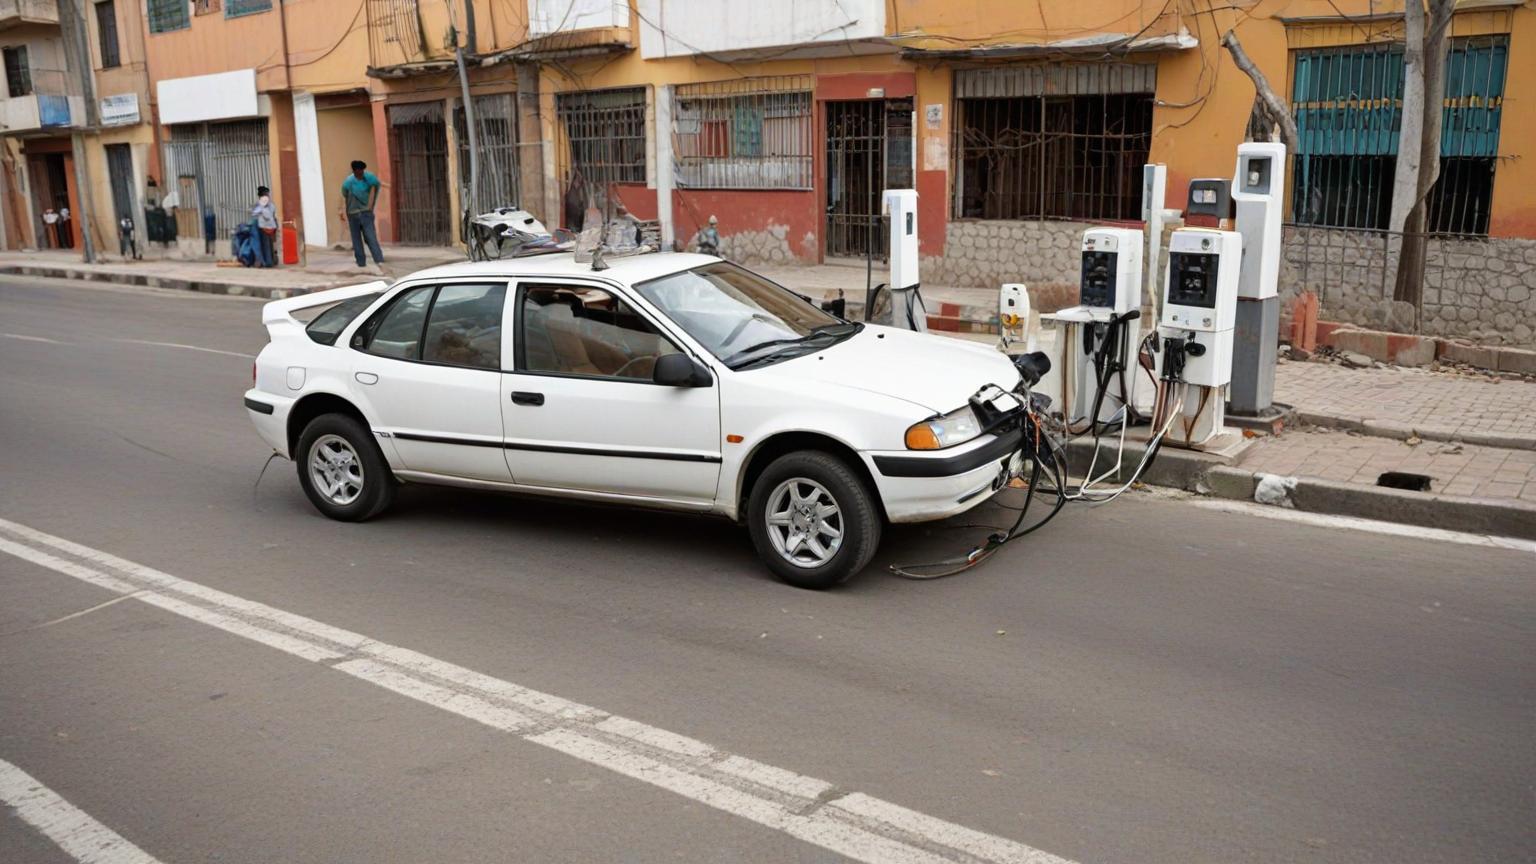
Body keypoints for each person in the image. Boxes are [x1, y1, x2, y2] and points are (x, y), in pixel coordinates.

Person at [339, 159, 385, 271]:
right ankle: (361, 262)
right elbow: (344, 195)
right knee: (356, 239)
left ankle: (379, 260)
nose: (360, 173)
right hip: (353, 213)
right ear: (354, 171)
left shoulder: (370, 178)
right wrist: (343, 212)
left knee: (370, 237)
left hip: (366, 213)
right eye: (357, 171)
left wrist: (371, 206)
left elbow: (377, 187)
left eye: (361, 170)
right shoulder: (348, 182)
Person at [252, 186, 277, 267]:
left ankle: (268, 262)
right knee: (268, 244)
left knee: (266, 244)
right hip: (269, 227)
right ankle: (269, 261)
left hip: (266, 227)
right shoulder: (268, 205)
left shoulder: (265, 205)